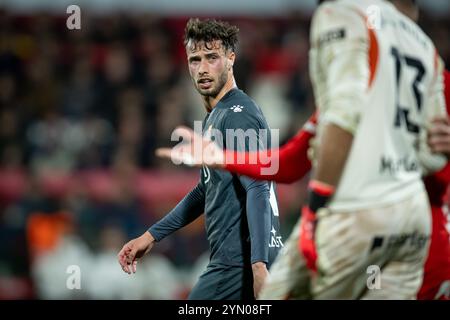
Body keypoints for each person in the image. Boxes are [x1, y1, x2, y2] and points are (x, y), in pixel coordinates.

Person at [158, 0, 448, 299]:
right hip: (414, 222)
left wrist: (314, 212)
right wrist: (224, 158)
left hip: (358, 211)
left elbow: (342, 117)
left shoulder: (342, 14)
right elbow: (434, 156)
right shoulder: (424, 48)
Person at [117, 18, 283, 300]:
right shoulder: (216, 117)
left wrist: (258, 265)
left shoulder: (237, 114)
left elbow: (257, 186)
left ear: (231, 59)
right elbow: (207, 189)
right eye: (195, 60)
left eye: (212, 58)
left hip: (238, 263)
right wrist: (151, 236)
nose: (203, 68)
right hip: (240, 261)